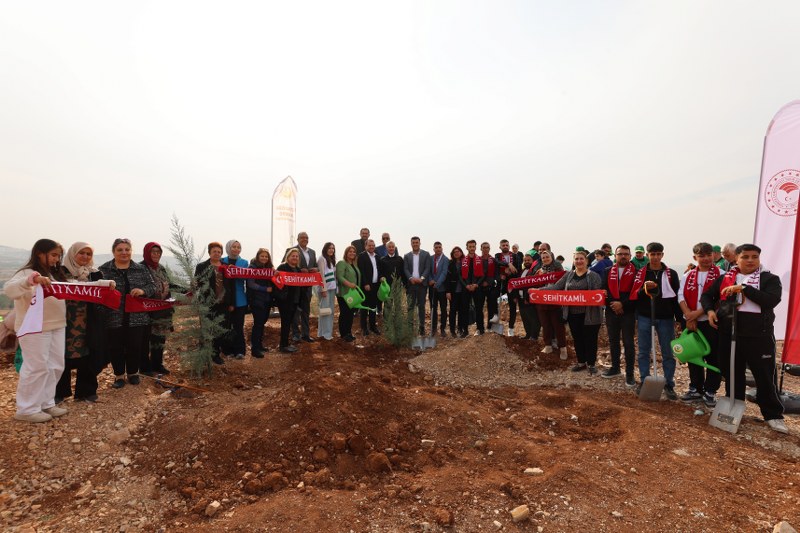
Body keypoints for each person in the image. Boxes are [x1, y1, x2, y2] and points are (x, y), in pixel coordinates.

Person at [701, 244, 787, 433]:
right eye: (745, 257)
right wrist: (709, 311)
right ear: (736, 259)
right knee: (732, 373)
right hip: (728, 334)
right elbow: (707, 296)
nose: (750, 260)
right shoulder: (726, 278)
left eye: (754, 257)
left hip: (758, 337)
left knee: (764, 376)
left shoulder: (769, 278)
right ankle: (734, 408)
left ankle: (773, 415)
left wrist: (744, 289)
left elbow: (770, 300)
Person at [5, 239, 68, 422]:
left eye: (58, 256)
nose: (56, 259)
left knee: (55, 365)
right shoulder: (26, 273)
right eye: (53, 255)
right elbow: (9, 290)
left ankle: (46, 403)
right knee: (36, 367)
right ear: (40, 253)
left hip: (57, 325)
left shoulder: (54, 273)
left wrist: (102, 285)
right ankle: (26, 409)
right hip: (34, 327)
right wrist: (30, 280)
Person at [99, 238, 157, 389]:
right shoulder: (103, 270)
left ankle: (133, 373)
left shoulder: (141, 269)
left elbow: (153, 286)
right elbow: (97, 290)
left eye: (127, 249)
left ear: (131, 251)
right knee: (115, 347)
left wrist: (142, 291)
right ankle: (119, 376)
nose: (124, 252)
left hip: (137, 316)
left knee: (135, 346)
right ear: (113, 252)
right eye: (120, 250)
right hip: (113, 316)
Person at [56, 242, 109, 404]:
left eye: (88, 254)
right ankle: (59, 392)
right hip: (64, 321)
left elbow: (103, 297)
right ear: (73, 254)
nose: (85, 257)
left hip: (88, 321)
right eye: (81, 253)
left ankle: (86, 391)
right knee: (60, 355)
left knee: (89, 353)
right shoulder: (60, 272)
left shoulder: (95, 274)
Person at [631, 242, 680, 400]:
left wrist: (679, 319)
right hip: (645, 317)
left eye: (658, 254)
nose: (655, 257)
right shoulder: (641, 274)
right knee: (644, 351)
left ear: (662, 255)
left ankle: (669, 384)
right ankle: (645, 381)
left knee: (668, 353)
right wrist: (644, 289)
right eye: (652, 254)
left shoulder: (671, 274)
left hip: (666, 318)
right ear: (647, 255)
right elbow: (635, 295)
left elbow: (676, 297)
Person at [543, 249, 603, 374]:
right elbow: (556, 287)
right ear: (573, 261)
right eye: (576, 259)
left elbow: (597, 293)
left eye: (581, 259)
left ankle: (591, 364)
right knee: (578, 338)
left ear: (586, 261)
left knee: (590, 339)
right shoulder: (568, 275)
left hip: (590, 315)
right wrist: (538, 291)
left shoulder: (593, 276)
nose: (579, 261)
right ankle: (581, 362)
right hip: (572, 314)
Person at [677, 242, 721, 406]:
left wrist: (696, 314)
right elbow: (680, 296)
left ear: (713, 255)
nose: (706, 258)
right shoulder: (687, 275)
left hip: (711, 322)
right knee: (693, 355)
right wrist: (689, 316)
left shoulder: (722, 274)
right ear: (695, 257)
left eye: (709, 255)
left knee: (713, 357)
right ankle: (695, 388)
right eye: (701, 256)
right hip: (691, 322)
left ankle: (710, 391)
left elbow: (718, 299)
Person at [601, 245, 637, 386]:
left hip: (628, 312)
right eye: (620, 254)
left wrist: (622, 305)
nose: (623, 256)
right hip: (611, 311)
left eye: (626, 254)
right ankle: (615, 368)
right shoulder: (607, 271)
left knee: (628, 343)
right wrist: (614, 305)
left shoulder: (636, 272)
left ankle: (630, 373)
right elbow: (604, 290)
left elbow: (636, 292)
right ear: (615, 256)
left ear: (630, 256)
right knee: (613, 341)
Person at [140, 242, 174, 375]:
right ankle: (144, 367)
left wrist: (187, 290)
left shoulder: (161, 268)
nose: (156, 254)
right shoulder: (141, 268)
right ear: (147, 253)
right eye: (153, 252)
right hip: (147, 311)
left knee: (160, 339)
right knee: (145, 340)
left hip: (163, 310)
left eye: (158, 252)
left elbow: (169, 285)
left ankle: (157, 364)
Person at [194, 242, 227, 365]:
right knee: (206, 330)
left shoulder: (226, 266)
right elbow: (197, 283)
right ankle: (204, 355)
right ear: (209, 253)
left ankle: (215, 354)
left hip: (222, 303)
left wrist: (230, 302)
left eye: (219, 252)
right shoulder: (202, 266)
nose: (217, 254)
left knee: (218, 329)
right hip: (207, 303)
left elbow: (230, 285)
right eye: (214, 251)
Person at [287, 232, 317, 342]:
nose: (305, 239)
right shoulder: (291, 250)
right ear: (298, 239)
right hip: (295, 287)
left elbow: (316, 266)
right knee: (295, 312)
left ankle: (306, 334)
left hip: (307, 287)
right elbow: (286, 264)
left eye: (306, 237)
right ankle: (295, 334)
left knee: (306, 311)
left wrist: (316, 269)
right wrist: (300, 270)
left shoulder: (312, 252)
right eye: (302, 237)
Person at [535, 250, 566, 355]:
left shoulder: (558, 269)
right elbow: (534, 283)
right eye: (543, 258)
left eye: (547, 257)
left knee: (558, 326)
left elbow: (561, 284)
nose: (545, 259)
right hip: (542, 302)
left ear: (552, 257)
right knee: (545, 325)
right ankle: (548, 345)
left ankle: (563, 348)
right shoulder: (539, 271)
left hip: (555, 302)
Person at [222, 240, 248, 358]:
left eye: (238, 247)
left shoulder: (244, 262)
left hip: (240, 298)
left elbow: (245, 278)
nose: (236, 249)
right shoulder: (222, 261)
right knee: (226, 325)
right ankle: (227, 350)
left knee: (238, 326)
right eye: (234, 247)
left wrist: (235, 270)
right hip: (225, 298)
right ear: (228, 248)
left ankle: (240, 351)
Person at [246, 248, 274, 358]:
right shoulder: (252, 267)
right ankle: (255, 349)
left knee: (262, 322)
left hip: (267, 300)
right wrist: (265, 289)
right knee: (258, 324)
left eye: (266, 256)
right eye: (262, 256)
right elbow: (250, 284)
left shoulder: (269, 268)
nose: (264, 258)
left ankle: (259, 345)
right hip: (256, 299)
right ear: (258, 256)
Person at [275, 249, 302, 353]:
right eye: (293, 256)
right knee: (285, 323)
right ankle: (283, 346)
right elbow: (276, 283)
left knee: (289, 322)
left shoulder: (298, 270)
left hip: (295, 301)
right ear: (288, 257)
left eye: (296, 256)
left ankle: (286, 343)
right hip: (285, 301)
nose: (295, 258)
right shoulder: (282, 267)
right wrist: (281, 296)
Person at [404, 236, 431, 336]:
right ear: (411, 244)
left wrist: (422, 278)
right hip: (411, 285)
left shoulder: (426, 254)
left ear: (420, 243)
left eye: (417, 242)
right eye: (413, 243)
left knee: (421, 306)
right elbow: (406, 269)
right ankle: (410, 327)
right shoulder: (407, 256)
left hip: (421, 285)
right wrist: (410, 278)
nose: (415, 244)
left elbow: (427, 268)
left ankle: (422, 327)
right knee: (410, 306)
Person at [357, 239, 385, 335]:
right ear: (366, 246)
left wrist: (381, 277)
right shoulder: (362, 256)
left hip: (375, 285)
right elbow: (361, 271)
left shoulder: (377, 256)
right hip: (366, 286)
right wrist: (365, 283)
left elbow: (379, 270)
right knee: (365, 307)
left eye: (373, 245)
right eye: (369, 245)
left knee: (373, 307)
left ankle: (373, 326)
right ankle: (364, 328)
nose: (372, 247)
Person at [496, 239, 521, 336]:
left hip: (512, 284)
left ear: (509, 246)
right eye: (503, 245)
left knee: (513, 305)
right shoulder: (497, 255)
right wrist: (508, 264)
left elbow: (518, 268)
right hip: (501, 283)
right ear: (500, 247)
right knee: (495, 303)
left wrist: (511, 272)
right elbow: (497, 263)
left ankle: (511, 328)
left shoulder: (515, 256)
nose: (505, 246)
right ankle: (495, 326)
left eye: (507, 245)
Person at [336, 245, 361, 342]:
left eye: (354, 252)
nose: (352, 253)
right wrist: (349, 284)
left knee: (350, 314)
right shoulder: (342, 263)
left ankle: (349, 333)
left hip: (353, 294)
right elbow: (340, 277)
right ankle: (343, 334)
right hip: (344, 293)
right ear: (346, 253)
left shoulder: (354, 265)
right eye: (350, 251)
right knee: (344, 313)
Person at [514, 253, 542, 341]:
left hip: (529, 298)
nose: (526, 262)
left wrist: (527, 298)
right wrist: (516, 297)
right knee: (525, 318)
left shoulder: (534, 271)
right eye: (525, 260)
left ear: (533, 261)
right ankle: (528, 334)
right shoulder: (521, 271)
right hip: (520, 298)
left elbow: (531, 285)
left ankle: (534, 336)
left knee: (533, 318)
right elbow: (517, 284)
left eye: (528, 260)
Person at [462, 240, 485, 335]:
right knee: (464, 309)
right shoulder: (463, 260)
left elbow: (483, 274)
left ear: (475, 247)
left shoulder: (480, 259)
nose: (472, 248)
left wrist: (476, 284)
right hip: (466, 287)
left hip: (477, 287)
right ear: (467, 248)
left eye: (473, 246)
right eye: (470, 247)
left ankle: (480, 329)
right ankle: (465, 330)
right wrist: (466, 285)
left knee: (479, 309)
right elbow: (460, 275)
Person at [316, 243, 337, 341]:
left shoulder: (331, 260)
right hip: (325, 289)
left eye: (333, 248)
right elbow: (321, 274)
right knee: (326, 311)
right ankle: (327, 334)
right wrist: (323, 289)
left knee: (327, 311)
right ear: (325, 249)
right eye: (329, 248)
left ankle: (321, 333)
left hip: (332, 288)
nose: (331, 250)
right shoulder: (322, 258)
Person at [445, 246, 467, 337]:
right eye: (455, 252)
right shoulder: (450, 264)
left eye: (458, 251)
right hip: (453, 291)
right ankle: (452, 330)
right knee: (453, 311)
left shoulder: (465, 262)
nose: (456, 253)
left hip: (463, 291)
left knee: (462, 311)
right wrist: (448, 291)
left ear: (461, 252)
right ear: (452, 254)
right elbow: (447, 278)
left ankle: (460, 329)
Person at [429, 241, 450, 336]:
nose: (438, 249)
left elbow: (444, 273)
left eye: (439, 247)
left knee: (443, 309)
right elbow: (428, 271)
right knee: (433, 308)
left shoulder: (446, 259)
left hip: (442, 289)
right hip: (431, 288)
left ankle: (442, 329)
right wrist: (430, 280)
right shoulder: (430, 258)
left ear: (442, 248)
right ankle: (433, 329)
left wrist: (437, 284)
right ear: (433, 249)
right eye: (436, 247)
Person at [478, 242, 500, 330]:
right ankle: (480, 328)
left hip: (490, 287)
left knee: (491, 307)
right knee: (479, 308)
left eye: (487, 247)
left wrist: (488, 282)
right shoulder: (477, 260)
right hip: (479, 287)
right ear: (481, 249)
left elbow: (496, 274)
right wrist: (481, 283)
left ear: (489, 249)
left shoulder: (493, 260)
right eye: (484, 247)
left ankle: (490, 326)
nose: (485, 249)